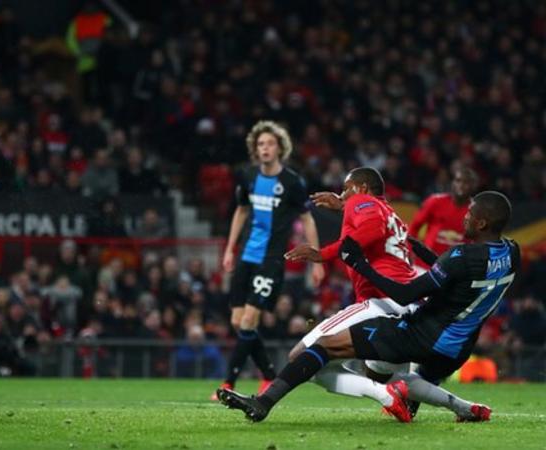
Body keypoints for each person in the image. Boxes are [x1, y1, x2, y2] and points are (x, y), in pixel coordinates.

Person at [219, 191, 517, 423]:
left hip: (420, 335)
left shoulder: (460, 256)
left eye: (470, 214)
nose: (465, 217)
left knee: (325, 346)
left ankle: (263, 403)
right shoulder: (511, 252)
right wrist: (420, 249)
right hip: (456, 350)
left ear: (482, 223)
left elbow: (406, 294)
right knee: (395, 378)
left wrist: (361, 265)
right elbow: (456, 274)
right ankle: (464, 408)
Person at [282, 167, 419, 420]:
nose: (342, 194)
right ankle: (466, 407)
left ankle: (384, 394)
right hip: (406, 303)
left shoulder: (362, 201)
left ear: (362, 188)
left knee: (301, 356)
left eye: (346, 189)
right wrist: (344, 206)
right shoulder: (391, 213)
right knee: (392, 374)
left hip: (378, 300)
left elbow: (370, 230)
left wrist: (321, 254)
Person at [214, 120, 325, 399]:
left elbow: (307, 219)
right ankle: (268, 375)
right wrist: (229, 249)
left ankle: (228, 383)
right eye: (260, 144)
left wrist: (317, 259)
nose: (265, 148)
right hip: (246, 255)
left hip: (272, 259)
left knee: (249, 319)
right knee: (238, 322)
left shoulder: (291, 182)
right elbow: (241, 211)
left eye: (270, 144)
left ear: (280, 148)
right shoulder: (248, 176)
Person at [409, 166, 479, 267]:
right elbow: (414, 227)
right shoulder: (435, 201)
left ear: (474, 186)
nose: (461, 185)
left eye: (466, 183)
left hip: (455, 269)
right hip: (424, 265)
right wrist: (410, 251)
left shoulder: (476, 211)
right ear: (452, 183)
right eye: (458, 181)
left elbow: (478, 241)